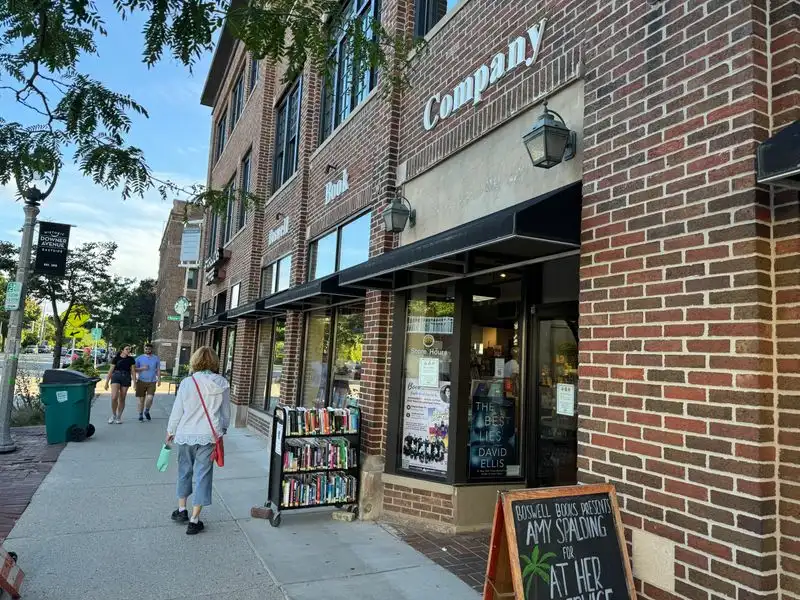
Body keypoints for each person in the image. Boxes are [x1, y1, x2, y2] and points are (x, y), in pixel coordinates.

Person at [166, 346, 230, 535]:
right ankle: (195, 519)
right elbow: (225, 413)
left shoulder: (187, 382)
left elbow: (178, 410)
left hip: (185, 434)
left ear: (195, 361)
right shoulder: (222, 383)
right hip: (209, 435)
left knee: (184, 471)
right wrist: (222, 429)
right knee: (203, 475)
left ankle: (181, 509)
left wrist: (171, 431)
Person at [104, 346, 136, 424]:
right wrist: (106, 382)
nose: (128, 350)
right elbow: (110, 370)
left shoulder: (131, 359)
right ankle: (113, 415)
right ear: (122, 350)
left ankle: (119, 417)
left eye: (129, 349)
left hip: (126, 377)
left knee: (122, 398)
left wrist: (135, 383)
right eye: (127, 349)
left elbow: (133, 371)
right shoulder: (116, 358)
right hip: (116, 376)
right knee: (114, 397)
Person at [135, 343, 161, 422]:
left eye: (149, 349)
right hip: (141, 381)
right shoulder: (139, 358)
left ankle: (146, 411)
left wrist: (159, 379)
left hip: (152, 381)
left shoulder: (156, 358)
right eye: (146, 349)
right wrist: (142, 368)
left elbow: (158, 370)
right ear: (144, 349)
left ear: (151, 349)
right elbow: (134, 369)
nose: (147, 350)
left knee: (150, 398)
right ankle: (140, 415)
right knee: (141, 400)